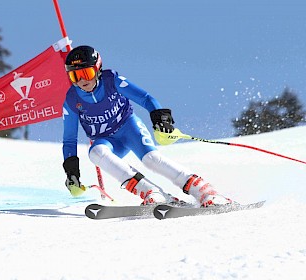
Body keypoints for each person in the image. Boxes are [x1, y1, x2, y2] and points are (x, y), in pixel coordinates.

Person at [62, 45, 232, 207]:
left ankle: (205, 191)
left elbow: (146, 98)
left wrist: (160, 118)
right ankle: (151, 192)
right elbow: (69, 140)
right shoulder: (72, 100)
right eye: (75, 76)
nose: (82, 80)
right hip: (106, 141)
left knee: (151, 159)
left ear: (97, 69)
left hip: (129, 128)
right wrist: (72, 173)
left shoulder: (111, 80)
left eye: (86, 72)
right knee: (96, 153)